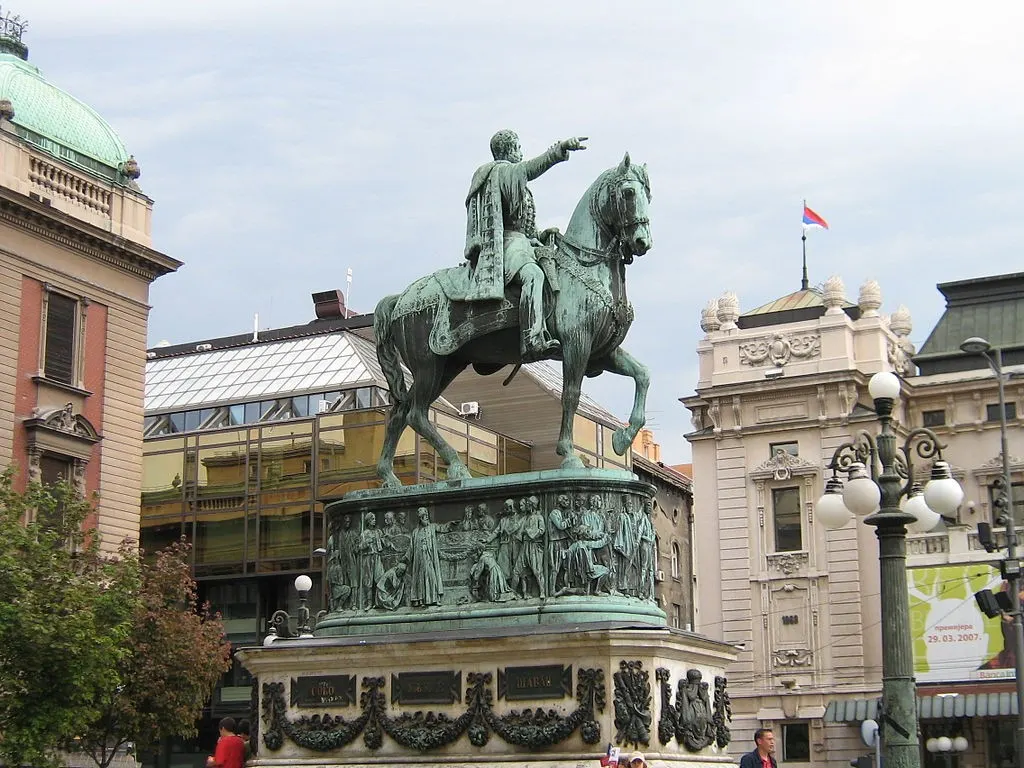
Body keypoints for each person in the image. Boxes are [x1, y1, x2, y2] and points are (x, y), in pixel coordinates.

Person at [463, 129, 587, 360]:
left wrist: (541, 235)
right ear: (509, 150)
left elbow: (525, 226)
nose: (521, 152)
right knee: (534, 275)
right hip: (506, 244)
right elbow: (531, 169)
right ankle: (532, 338)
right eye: (518, 147)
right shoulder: (500, 171)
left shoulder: (512, 180)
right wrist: (558, 150)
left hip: (523, 243)